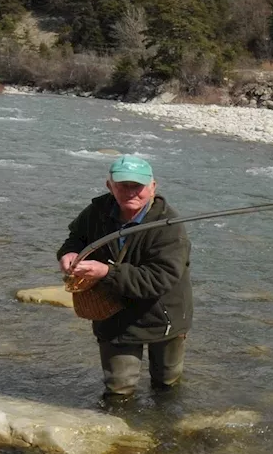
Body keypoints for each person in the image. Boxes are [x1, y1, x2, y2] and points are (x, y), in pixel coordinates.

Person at [57, 155, 193, 399]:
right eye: (123, 186)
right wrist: (69, 253)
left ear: (153, 187)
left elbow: (159, 278)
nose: (130, 193)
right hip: (113, 315)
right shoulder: (96, 211)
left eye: (137, 186)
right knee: (118, 390)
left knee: (167, 386)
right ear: (109, 186)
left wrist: (106, 272)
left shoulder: (170, 226)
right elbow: (76, 237)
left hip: (164, 317)